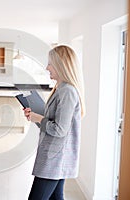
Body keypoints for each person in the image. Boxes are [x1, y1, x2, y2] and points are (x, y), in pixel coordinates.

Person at [23, 45, 85, 200]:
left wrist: (39, 118)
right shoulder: (61, 88)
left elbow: (59, 130)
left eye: (50, 63)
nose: (47, 67)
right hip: (55, 156)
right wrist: (36, 116)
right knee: (57, 197)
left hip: (55, 158)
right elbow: (53, 123)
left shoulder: (67, 91)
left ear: (61, 65)